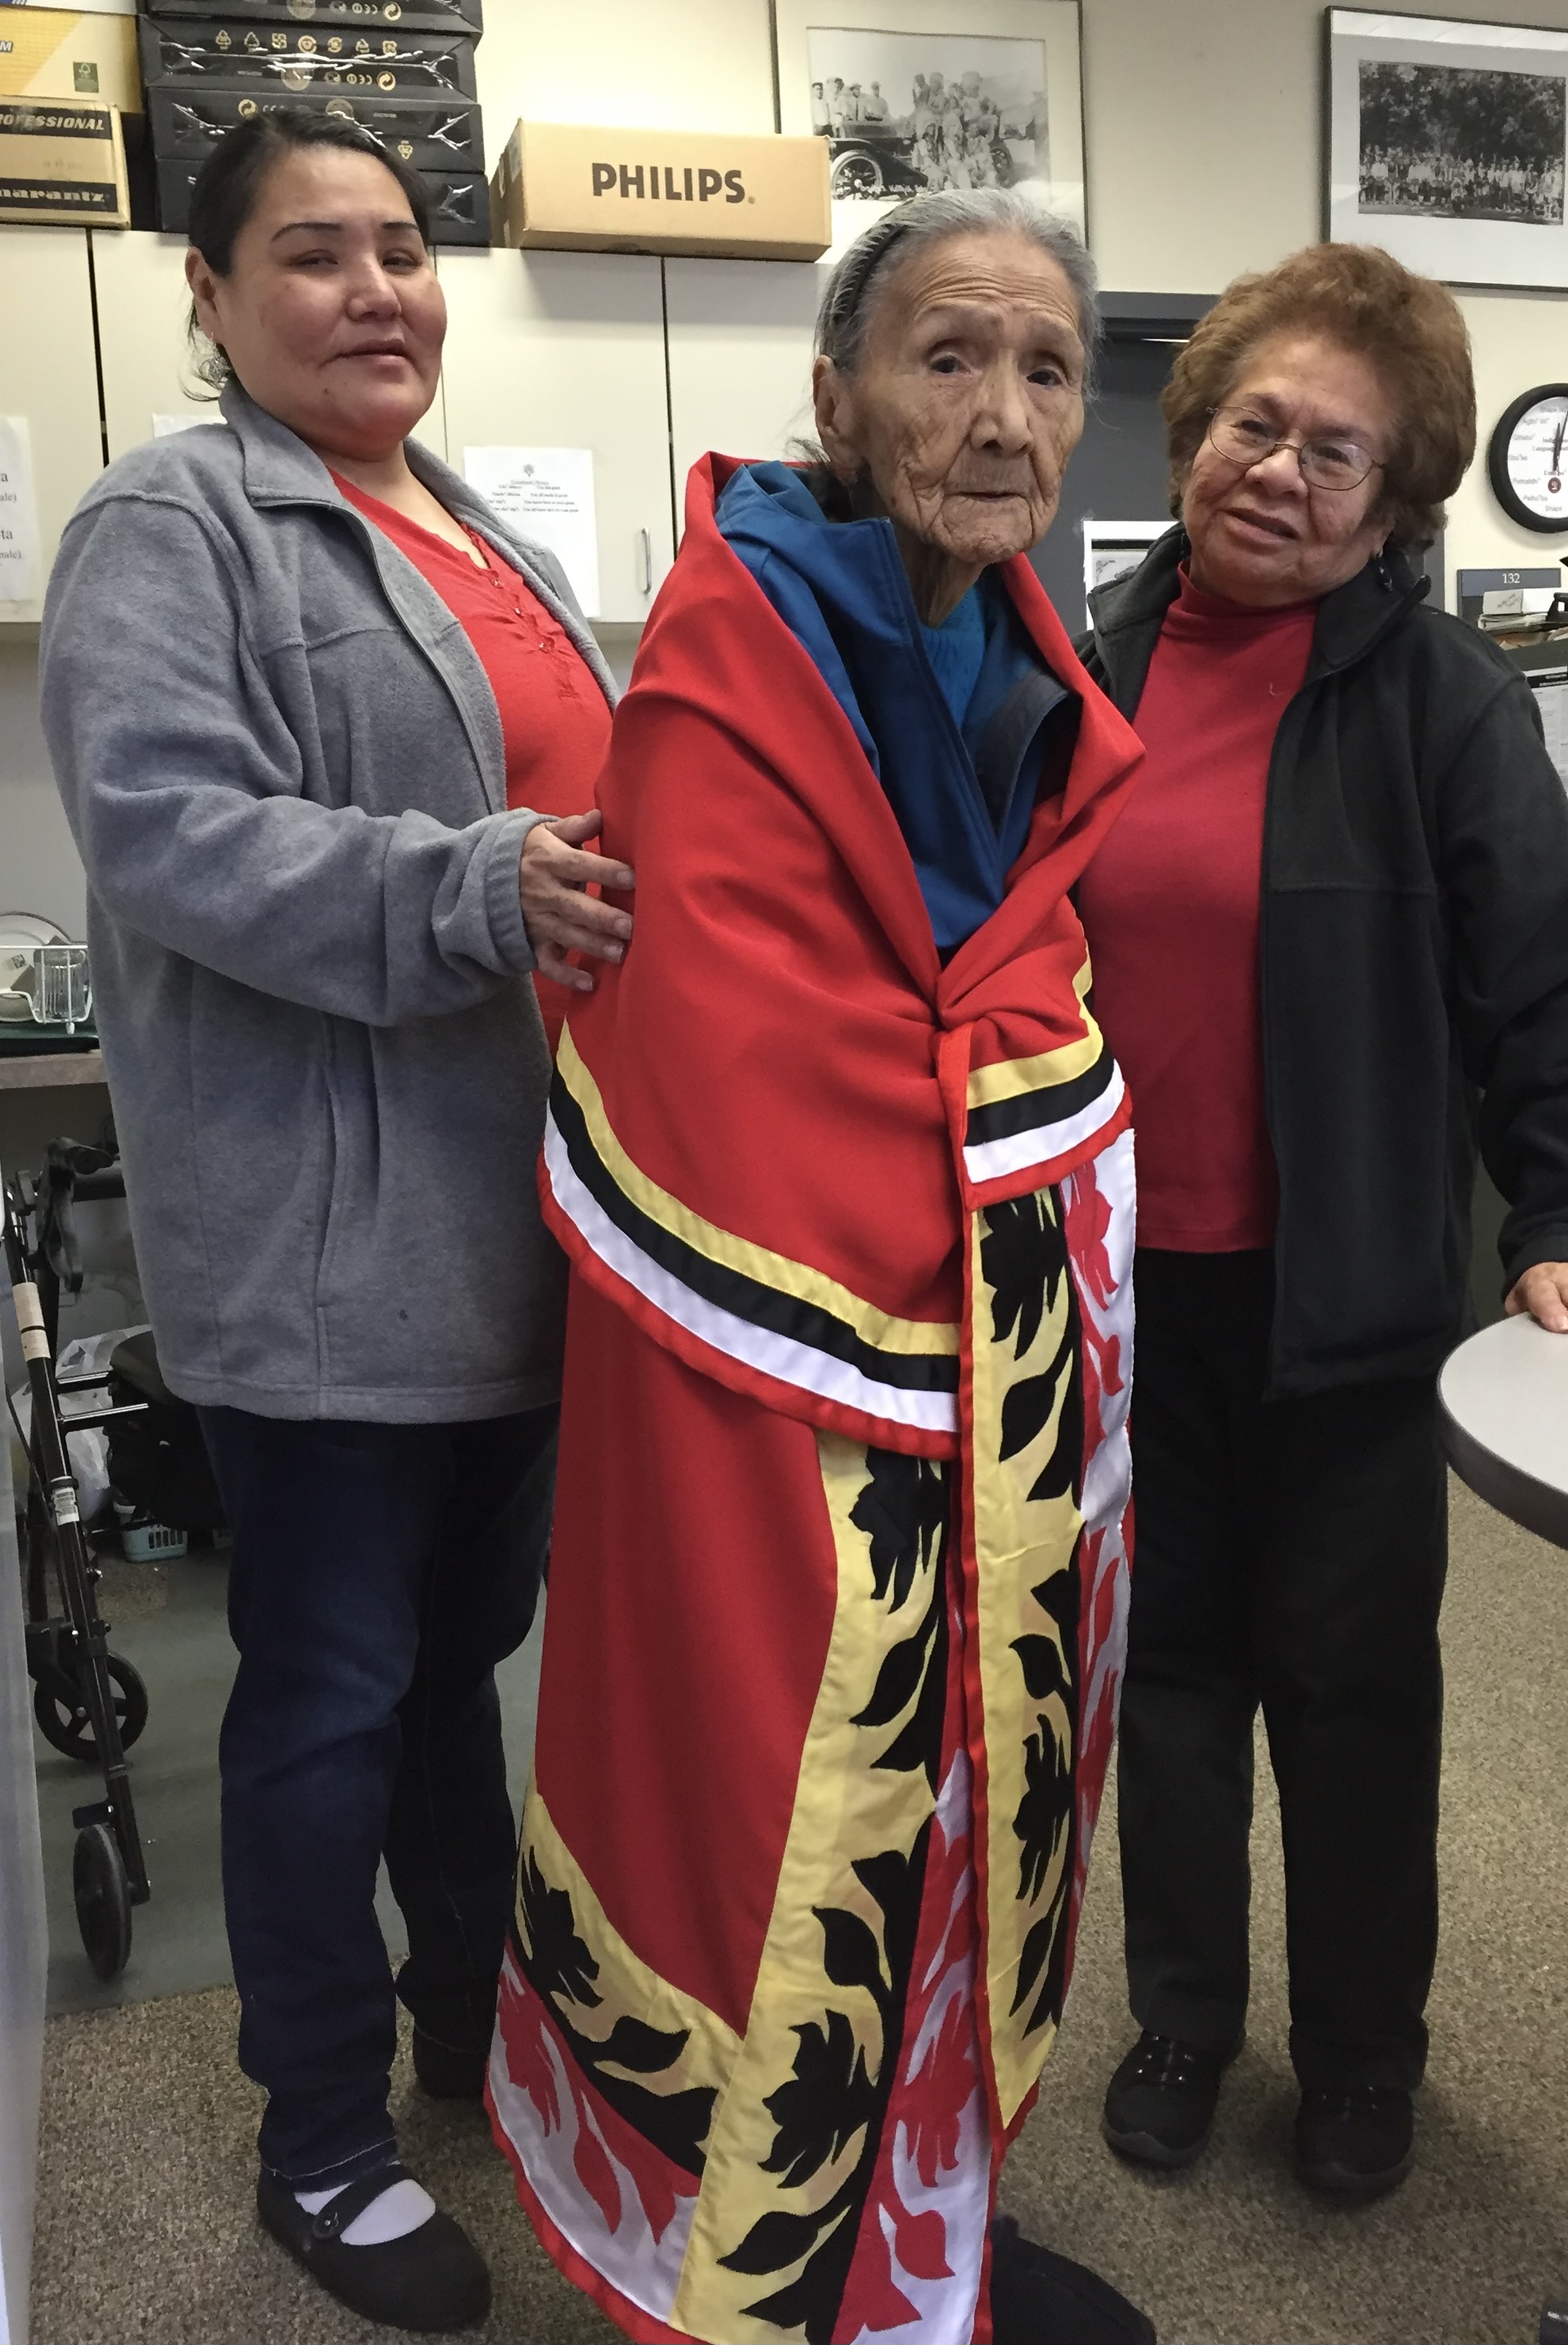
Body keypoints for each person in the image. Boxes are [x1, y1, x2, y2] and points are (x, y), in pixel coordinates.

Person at [488, 188, 1154, 2345]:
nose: (1003, 411)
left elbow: (1015, 996)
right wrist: (987, 1176)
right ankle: (768, 2282)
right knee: (792, 1820)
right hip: (784, 1390)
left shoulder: (1022, 650)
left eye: (1047, 368)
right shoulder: (726, 656)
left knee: (973, 1793)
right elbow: (726, 1050)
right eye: (948, 356)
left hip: (984, 1383)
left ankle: (934, 2230)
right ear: (839, 399)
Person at [39, 112, 630, 2335]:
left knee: (452, 1681)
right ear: (208, 294)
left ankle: (476, 2025)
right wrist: (466, 884)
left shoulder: (458, 518)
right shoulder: (170, 519)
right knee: (323, 1693)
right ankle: (320, 2138)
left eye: (402, 248)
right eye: (312, 254)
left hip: (514, 1225)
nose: (378, 289)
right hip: (325, 1247)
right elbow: (174, 830)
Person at [1077, 242, 1568, 2200]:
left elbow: (1552, 980)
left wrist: (1567, 1208)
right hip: (1118, 1299)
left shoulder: (1440, 699)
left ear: (1395, 499)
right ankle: (1179, 2013)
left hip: (1343, 1306)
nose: (1282, 471)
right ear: (1195, 423)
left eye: (1340, 451)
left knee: (1349, 1690)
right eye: (1258, 423)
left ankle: (1357, 2056)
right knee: (1161, 1682)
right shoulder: (1078, 655)